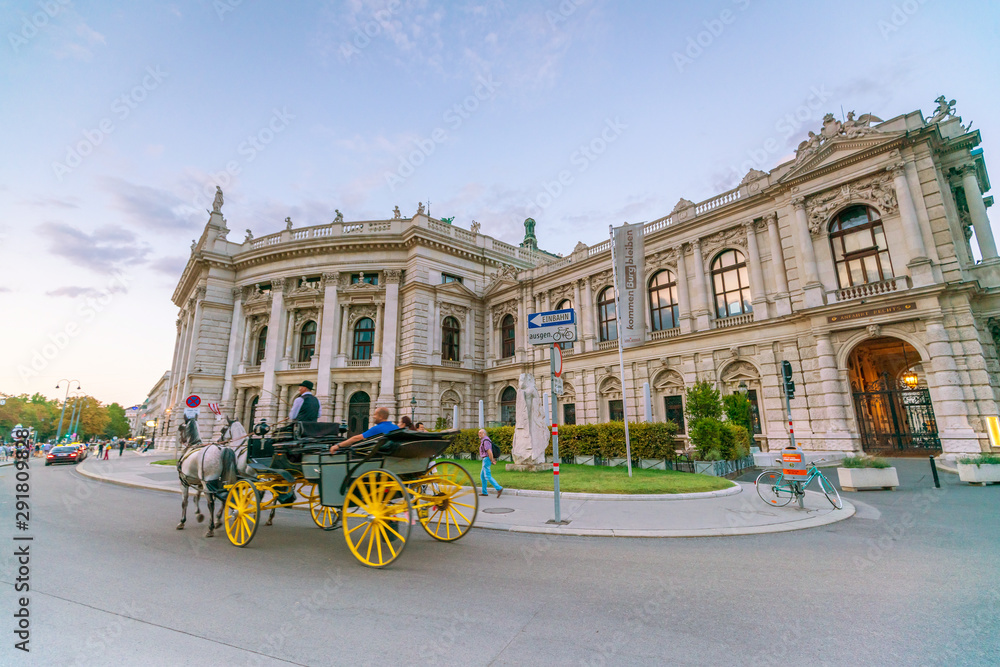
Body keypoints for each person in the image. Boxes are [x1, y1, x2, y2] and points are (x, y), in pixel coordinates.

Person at [330, 407, 399, 454]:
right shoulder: (396, 428)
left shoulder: (377, 428)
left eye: (375, 415)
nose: (373, 416)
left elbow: (357, 438)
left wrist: (338, 445)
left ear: (381, 417)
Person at [478, 429, 503, 497]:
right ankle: (484, 492)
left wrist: (492, 460)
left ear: (484, 434)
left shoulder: (486, 441)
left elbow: (489, 452)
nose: (479, 434)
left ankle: (499, 488)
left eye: (480, 433)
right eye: (479, 433)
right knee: (482, 476)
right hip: (486, 459)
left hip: (486, 459)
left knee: (487, 476)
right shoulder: (485, 440)